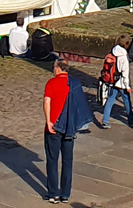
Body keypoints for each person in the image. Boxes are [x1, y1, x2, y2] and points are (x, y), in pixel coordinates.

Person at [41, 56, 90, 204]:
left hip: (54, 125)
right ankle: (65, 194)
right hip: (69, 127)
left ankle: (53, 193)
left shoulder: (51, 83)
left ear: (57, 68)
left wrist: (49, 121)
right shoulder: (75, 84)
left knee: (52, 160)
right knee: (68, 161)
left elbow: (47, 102)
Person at [95, 35, 133, 129]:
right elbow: (125, 72)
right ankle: (130, 119)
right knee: (126, 99)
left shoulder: (112, 51)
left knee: (110, 99)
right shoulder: (123, 55)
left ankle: (105, 120)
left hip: (112, 81)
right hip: (120, 82)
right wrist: (127, 86)